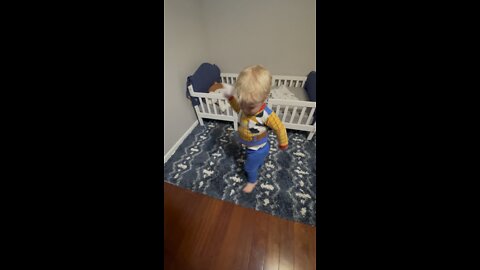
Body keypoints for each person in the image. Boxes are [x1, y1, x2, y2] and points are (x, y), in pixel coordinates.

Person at [224, 65, 288, 193]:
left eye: (250, 107)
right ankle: (258, 164)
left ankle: (252, 181)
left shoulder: (267, 115)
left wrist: (283, 142)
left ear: (264, 98)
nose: (246, 110)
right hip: (251, 145)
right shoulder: (244, 107)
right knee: (256, 163)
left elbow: (280, 128)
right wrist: (231, 98)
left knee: (248, 168)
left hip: (258, 148)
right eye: (243, 104)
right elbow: (238, 108)